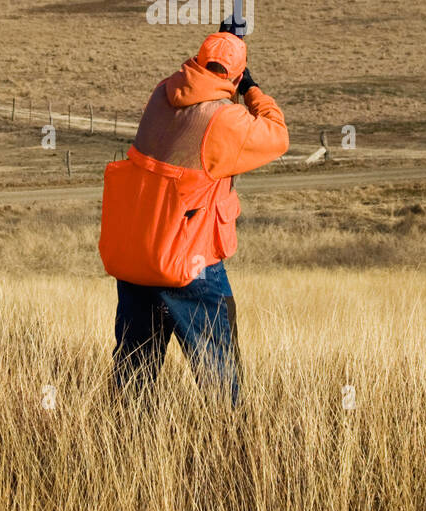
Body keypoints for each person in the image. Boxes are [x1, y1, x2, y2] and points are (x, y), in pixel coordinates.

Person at [98, 30, 289, 405]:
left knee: (134, 379)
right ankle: (225, 448)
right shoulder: (226, 120)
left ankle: (124, 453)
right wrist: (250, 88)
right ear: (234, 79)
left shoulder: (160, 96)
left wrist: (221, 51)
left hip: (138, 256)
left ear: (197, 62)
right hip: (190, 263)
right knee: (220, 380)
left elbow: (189, 86)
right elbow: (277, 135)